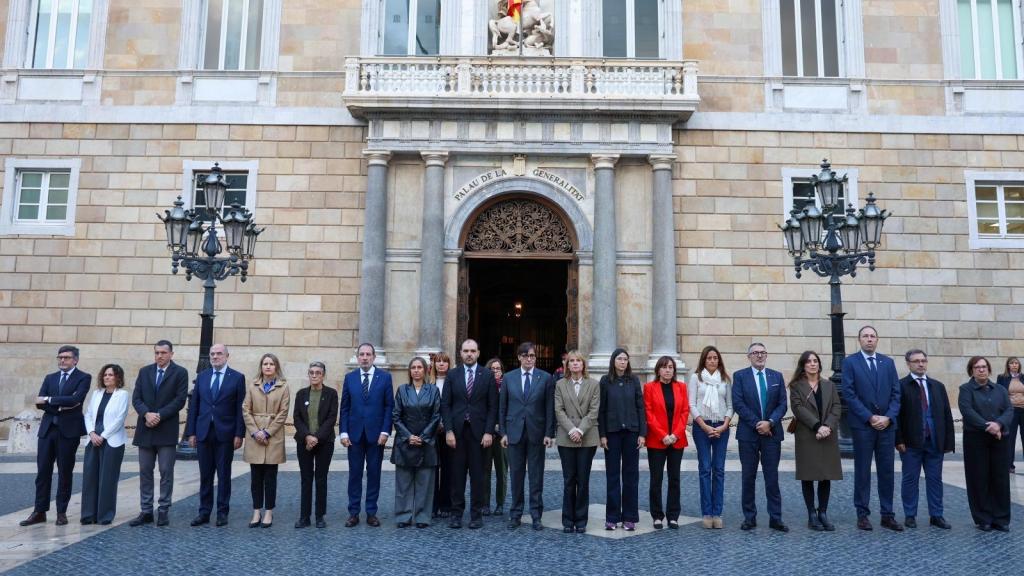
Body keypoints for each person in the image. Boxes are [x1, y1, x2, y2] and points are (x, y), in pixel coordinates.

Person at [840, 325, 903, 532]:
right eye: (865, 336)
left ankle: (887, 514)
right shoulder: (850, 362)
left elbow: (896, 393)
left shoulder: (888, 363)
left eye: (872, 336)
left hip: (886, 426)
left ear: (877, 340)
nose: (869, 339)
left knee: (886, 471)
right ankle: (862, 514)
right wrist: (869, 417)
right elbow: (849, 394)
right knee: (863, 471)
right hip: (863, 427)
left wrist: (888, 417)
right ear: (859, 340)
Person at [21, 345, 91, 527]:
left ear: (75, 360)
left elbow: (76, 399)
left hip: (69, 432)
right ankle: (39, 511)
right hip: (47, 430)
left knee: (64, 472)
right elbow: (39, 402)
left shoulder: (83, 377)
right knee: (43, 472)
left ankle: (61, 512)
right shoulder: (50, 378)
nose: (62, 360)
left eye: (66, 358)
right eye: (60, 357)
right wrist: (60, 406)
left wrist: (50, 400)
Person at [130, 340, 189, 527]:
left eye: (163, 353)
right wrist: (146, 413)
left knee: (165, 471)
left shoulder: (180, 373)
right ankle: (146, 510)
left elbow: (180, 399)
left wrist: (160, 415)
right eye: (157, 352)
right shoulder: (145, 371)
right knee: (145, 471)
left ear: (171, 354)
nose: (159, 356)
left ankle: (163, 509)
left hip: (166, 429)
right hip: (145, 429)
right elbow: (136, 397)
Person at [186, 343, 246, 527]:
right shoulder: (202, 377)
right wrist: (191, 432)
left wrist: (239, 433)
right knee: (205, 475)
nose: (215, 357)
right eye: (212, 354)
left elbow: (240, 408)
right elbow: (194, 406)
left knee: (224, 474)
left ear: (227, 356)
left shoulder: (237, 378)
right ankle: (204, 511)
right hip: (204, 432)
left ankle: (222, 512)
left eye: (219, 354)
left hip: (225, 433)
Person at [441, 338, 498, 529]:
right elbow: (445, 405)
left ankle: (476, 515)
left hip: (479, 434)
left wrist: (489, 431)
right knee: (456, 476)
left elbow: (492, 407)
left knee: (478, 476)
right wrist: (448, 430)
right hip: (456, 433)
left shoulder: (487, 375)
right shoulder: (452, 375)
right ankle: (456, 514)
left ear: (478, 353)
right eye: (466, 351)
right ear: (460, 353)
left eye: (473, 351)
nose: (469, 354)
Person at [732, 342, 788, 532]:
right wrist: (758, 423)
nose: (759, 356)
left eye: (763, 352)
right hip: (748, 434)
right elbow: (738, 403)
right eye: (755, 353)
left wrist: (770, 422)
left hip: (772, 434)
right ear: (749, 356)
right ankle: (749, 517)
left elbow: (783, 404)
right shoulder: (740, 376)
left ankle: (776, 517)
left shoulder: (776, 377)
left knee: (772, 477)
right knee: (748, 477)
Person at [895, 349, 954, 529]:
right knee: (910, 479)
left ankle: (936, 515)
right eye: (916, 361)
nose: (921, 364)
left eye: (923, 361)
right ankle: (910, 515)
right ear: (908, 364)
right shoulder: (900, 385)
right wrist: (898, 440)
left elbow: (946, 414)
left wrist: (948, 442)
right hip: (911, 443)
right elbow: (896, 416)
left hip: (934, 442)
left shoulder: (937, 386)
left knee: (935, 479)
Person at [500, 341, 555, 531]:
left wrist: (549, 433)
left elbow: (550, 408)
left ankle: (536, 515)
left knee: (536, 476)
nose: (529, 359)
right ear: (519, 358)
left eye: (532, 356)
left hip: (536, 433)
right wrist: (503, 433)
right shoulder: (508, 378)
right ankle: (515, 514)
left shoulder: (546, 378)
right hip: (514, 433)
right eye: (525, 356)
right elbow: (503, 407)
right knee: (515, 476)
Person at [340, 343, 394, 528]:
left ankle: (371, 512)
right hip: (354, 435)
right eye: (361, 354)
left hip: (376, 435)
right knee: (354, 474)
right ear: (357, 357)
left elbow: (389, 407)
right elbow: (345, 407)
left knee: (374, 474)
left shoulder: (385, 378)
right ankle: (353, 513)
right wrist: (343, 432)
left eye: (368, 354)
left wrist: (386, 431)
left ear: (373, 357)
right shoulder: (350, 378)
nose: (364, 357)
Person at [789, 351, 842, 532]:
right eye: (809, 361)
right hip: (807, 434)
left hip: (828, 434)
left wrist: (827, 426)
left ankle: (823, 513)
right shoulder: (796, 386)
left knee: (826, 474)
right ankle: (812, 513)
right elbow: (798, 409)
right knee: (808, 474)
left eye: (815, 361)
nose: (813, 364)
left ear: (819, 364)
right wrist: (817, 426)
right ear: (803, 365)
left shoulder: (829, 385)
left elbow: (836, 406)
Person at [959, 356, 1014, 532]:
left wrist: (998, 424)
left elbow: (1009, 409)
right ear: (971, 370)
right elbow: (967, 411)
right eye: (977, 367)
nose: (981, 370)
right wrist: (988, 427)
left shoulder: (1000, 389)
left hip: (1000, 439)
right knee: (979, 478)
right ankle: (983, 518)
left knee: (1000, 478)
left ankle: (1001, 518)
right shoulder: (966, 389)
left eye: (984, 367)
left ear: (989, 369)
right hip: (976, 440)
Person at [597, 347, 646, 531]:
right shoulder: (605, 381)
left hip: (632, 433)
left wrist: (642, 433)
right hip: (612, 433)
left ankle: (629, 517)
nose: (623, 362)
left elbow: (640, 407)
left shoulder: (633, 380)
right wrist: (602, 434)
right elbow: (601, 409)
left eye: (625, 359)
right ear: (613, 361)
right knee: (612, 476)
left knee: (631, 476)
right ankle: (612, 517)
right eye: (619, 359)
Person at [391, 357, 442, 528]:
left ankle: (422, 516)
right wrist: (408, 436)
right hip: (405, 443)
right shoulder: (402, 390)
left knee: (425, 483)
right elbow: (396, 416)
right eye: (413, 367)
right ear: (409, 371)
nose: (416, 370)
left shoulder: (433, 391)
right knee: (403, 484)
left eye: (420, 367)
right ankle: (403, 516)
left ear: (426, 370)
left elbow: (436, 416)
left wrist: (423, 436)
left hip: (426, 442)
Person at [553, 350, 600, 533]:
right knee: (568, 480)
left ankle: (581, 520)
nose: (574, 364)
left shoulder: (594, 385)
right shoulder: (560, 385)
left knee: (583, 479)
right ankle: (567, 520)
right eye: (571, 361)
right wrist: (572, 430)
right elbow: (559, 410)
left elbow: (594, 411)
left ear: (583, 365)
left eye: (578, 361)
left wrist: (580, 429)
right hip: (566, 437)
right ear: (567, 365)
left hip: (587, 437)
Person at [243, 353, 291, 528]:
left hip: (273, 437)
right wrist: (256, 431)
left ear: (276, 367)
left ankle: (269, 511)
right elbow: (246, 409)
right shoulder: (252, 385)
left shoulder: (283, 387)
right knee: (256, 477)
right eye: (265, 364)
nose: (268, 367)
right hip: (255, 436)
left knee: (270, 477)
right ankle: (256, 510)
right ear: (261, 367)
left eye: (271, 364)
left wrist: (267, 432)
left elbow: (283, 413)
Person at [688, 345, 732, 529]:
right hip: (702, 427)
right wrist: (704, 426)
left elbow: (730, 405)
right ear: (703, 360)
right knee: (705, 468)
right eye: (709, 358)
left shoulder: (725, 380)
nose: (712, 361)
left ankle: (717, 512)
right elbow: (691, 404)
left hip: (721, 427)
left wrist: (724, 425)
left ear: (719, 360)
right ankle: (707, 513)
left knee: (719, 469)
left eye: (715, 358)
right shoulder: (695, 378)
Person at [80, 364, 130, 525]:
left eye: (111, 375)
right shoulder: (96, 393)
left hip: (112, 441)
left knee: (107, 479)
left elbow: (120, 418)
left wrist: (103, 436)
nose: (107, 377)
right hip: (93, 440)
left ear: (118, 378)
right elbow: (88, 415)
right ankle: (88, 514)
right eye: (105, 375)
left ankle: (104, 515)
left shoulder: (122, 395)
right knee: (90, 478)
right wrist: (92, 433)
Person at [644, 356, 689, 530]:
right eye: (664, 367)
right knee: (656, 479)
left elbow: (684, 412)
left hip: (676, 440)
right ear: (658, 370)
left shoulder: (681, 387)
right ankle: (657, 515)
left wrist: (676, 434)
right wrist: (663, 435)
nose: (667, 370)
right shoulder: (649, 387)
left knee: (674, 478)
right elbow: (649, 414)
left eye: (670, 367)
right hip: (657, 440)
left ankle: (673, 516)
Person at [292, 361, 337, 529]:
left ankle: (319, 516)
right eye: (311, 372)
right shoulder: (301, 394)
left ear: (323, 375)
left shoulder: (331, 394)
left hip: (324, 442)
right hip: (304, 442)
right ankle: (304, 517)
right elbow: (296, 418)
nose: (314, 375)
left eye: (318, 372)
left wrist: (316, 438)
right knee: (306, 479)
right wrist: (307, 437)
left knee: (321, 478)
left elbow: (331, 418)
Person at [482, 357, 508, 516]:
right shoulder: (483, 386)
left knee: (502, 471)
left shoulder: (507, 386)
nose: (496, 371)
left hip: (503, 436)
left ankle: (500, 503)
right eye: (492, 369)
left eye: (498, 368)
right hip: (486, 434)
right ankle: (485, 504)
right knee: (484, 471)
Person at [430, 352, 454, 518]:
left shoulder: (453, 383)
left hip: (448, 431)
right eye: (438, 362)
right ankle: (432, 505)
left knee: (448, 468)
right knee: (432, 469)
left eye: (444, 362)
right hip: (431, 432)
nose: (441, 365)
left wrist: (446, 425)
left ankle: (446, 503)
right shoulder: (428, 384)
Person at [996, 357, 1024, 473]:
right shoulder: (1002, 378)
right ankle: (1009, 465)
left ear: (1019, 365)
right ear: (1008, 365)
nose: (1014, 365)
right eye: (1012, 363)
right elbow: (998, 394)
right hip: (1011, 411)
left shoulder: (1023, 377)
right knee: (1009, 439)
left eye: (1016, 363)